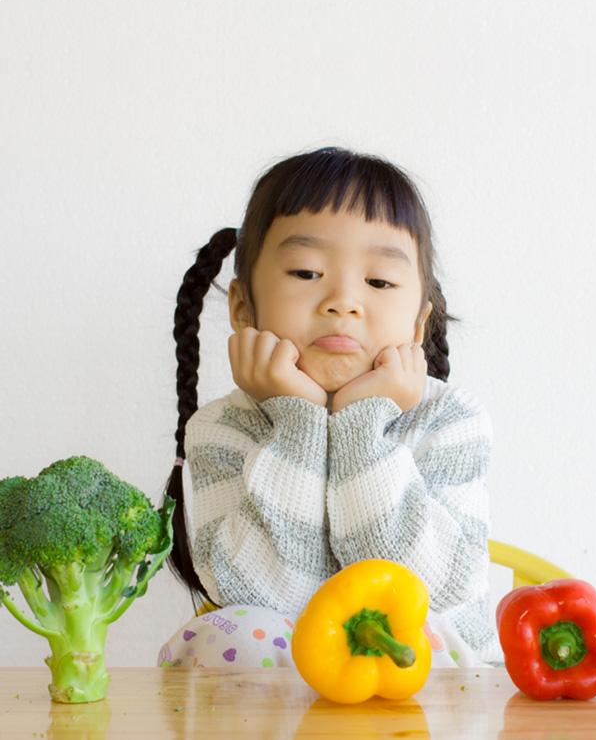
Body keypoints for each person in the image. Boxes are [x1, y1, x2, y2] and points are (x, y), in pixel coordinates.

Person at [157, 146, 502, 670]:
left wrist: (362, 427)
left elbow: (433, 591)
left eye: (380, 282)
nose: (343, 302)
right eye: (305, 272)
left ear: (417, 325)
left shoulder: (451, 420)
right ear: (242, 307)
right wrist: (300, 421)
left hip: (418, 681)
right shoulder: (222, 428)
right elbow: (258, 592)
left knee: (437, 634)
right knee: (231, 637)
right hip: (280, 696)